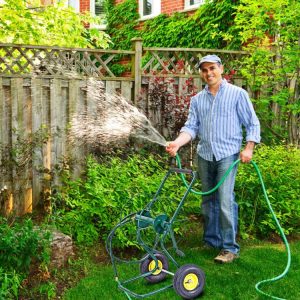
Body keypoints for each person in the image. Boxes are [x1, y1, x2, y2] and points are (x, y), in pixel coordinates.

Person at [166, 55, 260, 263]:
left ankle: (229, 248)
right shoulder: (197, 100)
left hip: (227, 155)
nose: (209, 73)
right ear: (201, 73)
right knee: (208, 200)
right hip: (205, 155)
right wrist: (177, 143)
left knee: (225, 200)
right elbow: (191, 128)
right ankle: (211, 240)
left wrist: (249, 147)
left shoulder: (237, 94)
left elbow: (252, 123)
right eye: (204, 70)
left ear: (221, 69)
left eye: (212, 68)